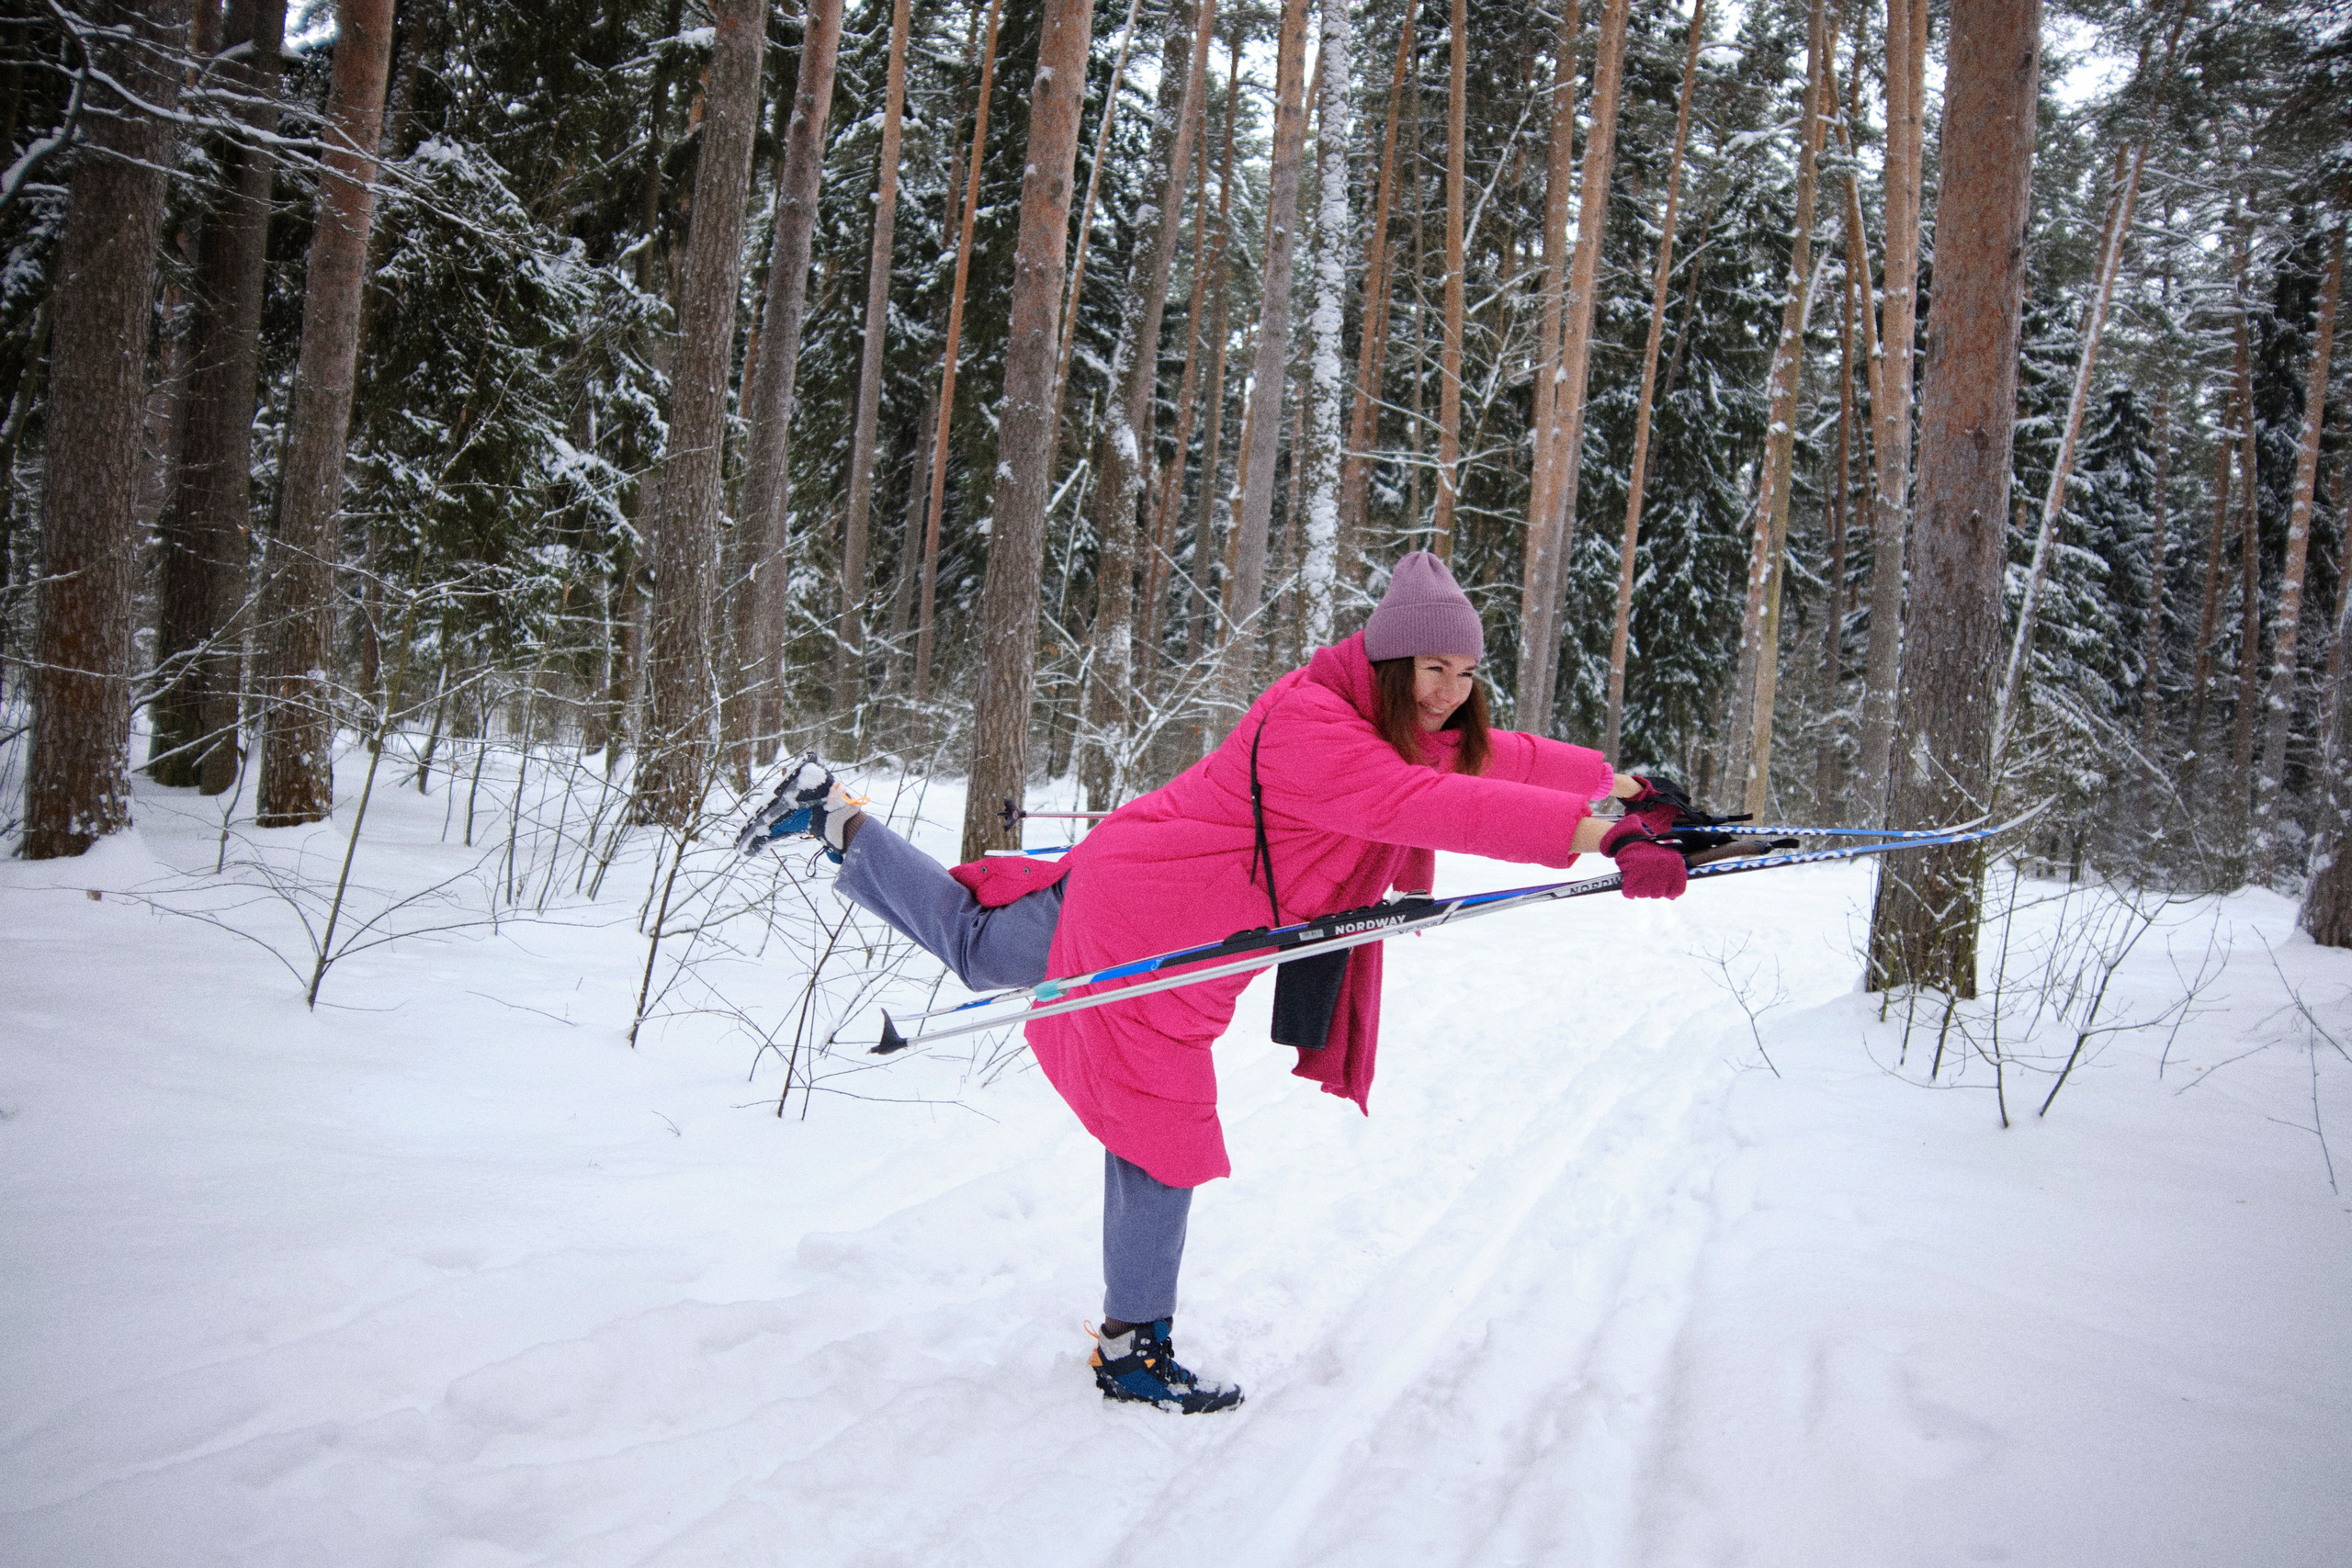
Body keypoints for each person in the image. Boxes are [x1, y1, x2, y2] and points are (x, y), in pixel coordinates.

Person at [744, 552, 1697, 1415]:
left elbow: (1493, 759)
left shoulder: (1387, 719)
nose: (1448, 693)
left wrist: (1616, 787)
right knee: (1160, 1127)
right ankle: (1132, 1348)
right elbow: (1427, 802)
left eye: (1462, 672)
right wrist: (1593, 837)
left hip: (1152, 892)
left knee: (984, 952)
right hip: (1154, 925)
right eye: (1430, 670)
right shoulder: (1315, 728)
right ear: (1385, 663)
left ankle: (832, 819)